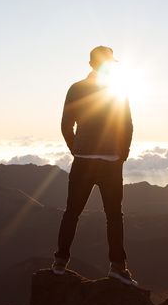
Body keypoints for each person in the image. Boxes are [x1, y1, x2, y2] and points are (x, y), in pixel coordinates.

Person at [52, 45, 138, 286]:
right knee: (113, 216)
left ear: (91, 63)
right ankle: (118, 267)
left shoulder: (76, 89)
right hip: (110, 162)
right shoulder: (118, 90)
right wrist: (122, 154)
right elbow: (127, 125)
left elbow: (66, 124)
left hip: (84, 161)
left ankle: (60, 262)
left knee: (72, 212)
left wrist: (77, 149)